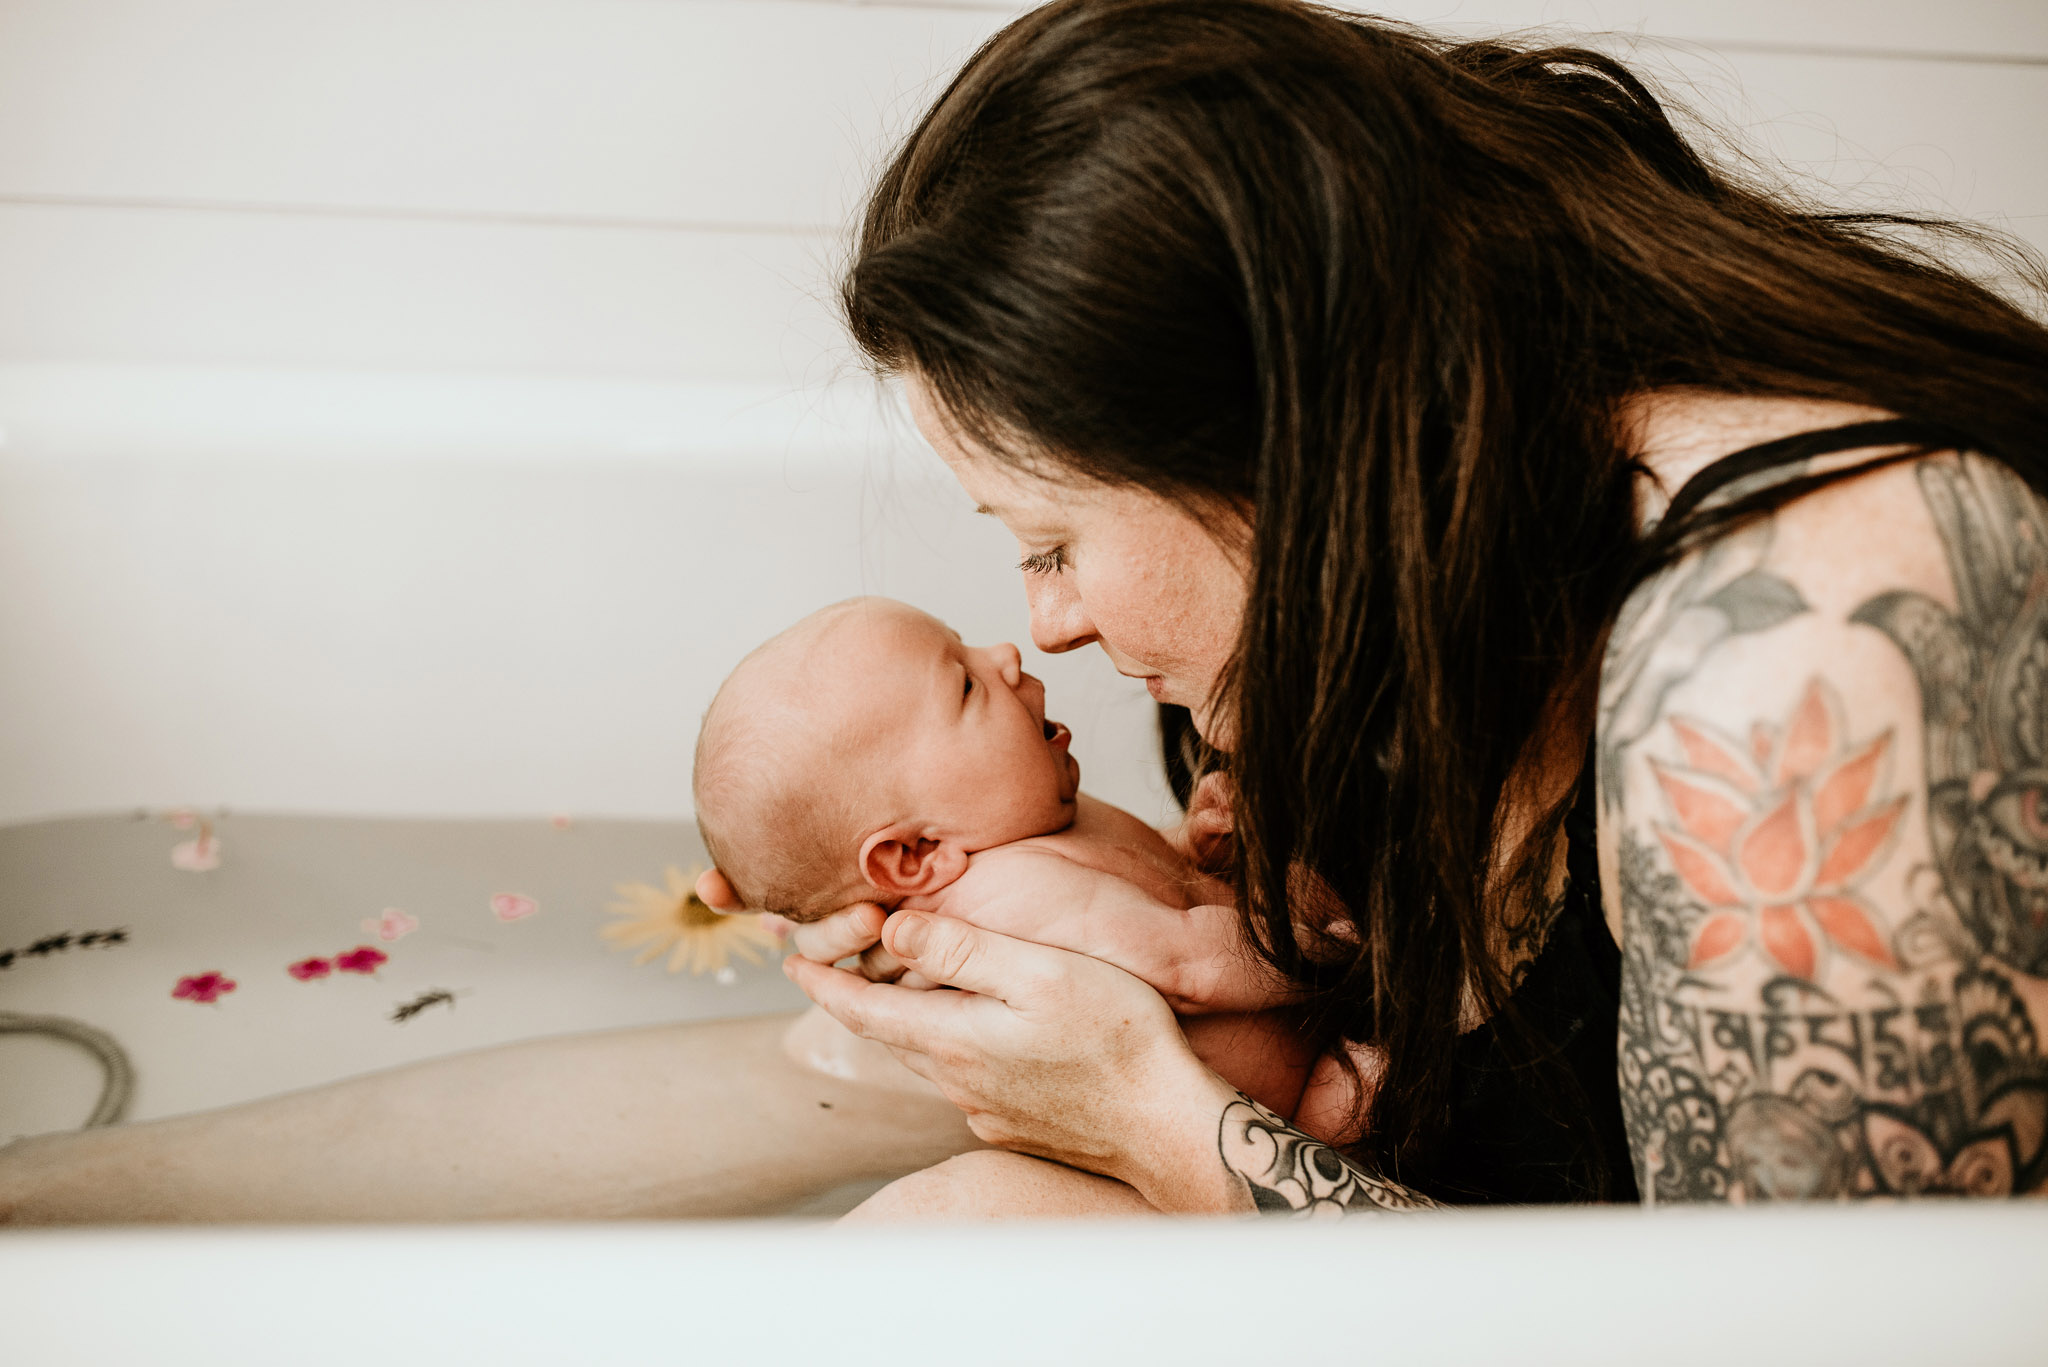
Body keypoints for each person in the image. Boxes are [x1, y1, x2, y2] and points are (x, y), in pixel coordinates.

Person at [6, 0, 2046, 1222]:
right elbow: (839, 1072)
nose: (1044, 626)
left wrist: (1169, 1126)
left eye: (1052, 537)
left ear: (1271, 433)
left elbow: (1804, 1337)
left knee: (965, 1228)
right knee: (939, 1110)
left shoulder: (1799, 656)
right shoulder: (1375, 565)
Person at [691, 595, 1319, 1122]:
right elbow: (1188, 964)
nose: (1005, 656)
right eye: (965, 684)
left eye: (968, 647)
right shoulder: (1008, 895)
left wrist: (1204, 854)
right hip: (1294, 1098)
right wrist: (1352, 951)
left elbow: (1149, 894)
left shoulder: (1030, 818)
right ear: (917, 852)